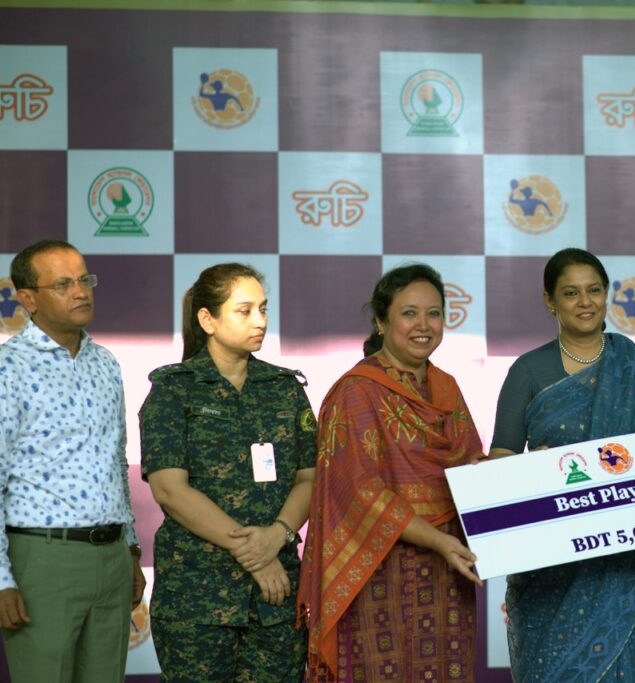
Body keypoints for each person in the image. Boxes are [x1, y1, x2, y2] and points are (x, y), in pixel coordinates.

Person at [489, 247, 635, 681]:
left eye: (593, 290)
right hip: (549, 570)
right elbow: (500, 461)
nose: (584, 302)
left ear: (607, 294)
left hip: (627, 564)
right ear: (550, 301)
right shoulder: (527, 371)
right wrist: (532, 470)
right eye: (570, 293)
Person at [299, 263, 484, 682]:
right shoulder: (356, 391)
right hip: (377, 567)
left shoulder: (446, 387)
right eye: (409, 313)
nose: (424, 325)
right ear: (381, 322)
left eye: (434, 313)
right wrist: (438, 540)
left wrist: (530, 472)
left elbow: (471, 470)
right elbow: (361, 490)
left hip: (447, 569)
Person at [139, 263, 316, 681]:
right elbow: (170, 490)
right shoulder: (174, 388)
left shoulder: (285, 388)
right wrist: (254, 554)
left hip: (275, 597)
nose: (260, 321)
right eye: (244, 310)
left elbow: (310, 478)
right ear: (208, 320)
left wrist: (277, 534)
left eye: (263, 308)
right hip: (197, 599)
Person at [0, 239, 145, 681]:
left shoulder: (106, 363)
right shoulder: (8, 367)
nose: (80, 292)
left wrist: (131, 548)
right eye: (63, 284)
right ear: (28, 299)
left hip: (112, 558)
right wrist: (2, 580)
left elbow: (116, 462)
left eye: (84, 280)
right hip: (43, 559)